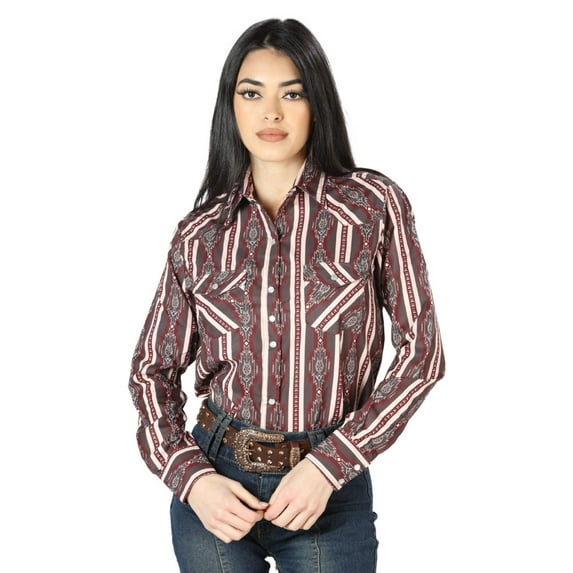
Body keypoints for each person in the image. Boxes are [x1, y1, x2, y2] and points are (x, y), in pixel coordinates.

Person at [129, 18, 445, 573]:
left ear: (317, 104)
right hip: (216, 487)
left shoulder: (373, 207)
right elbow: (151, 370)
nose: (270, 113)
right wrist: (191, 477)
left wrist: (331, 464)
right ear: (231, 107)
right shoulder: (199, 234)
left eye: (292, 94)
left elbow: (423, 354)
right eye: (251, 93)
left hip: (328, 488)